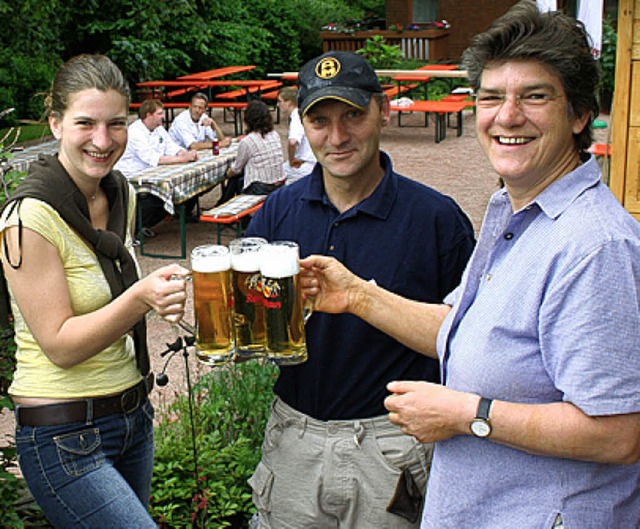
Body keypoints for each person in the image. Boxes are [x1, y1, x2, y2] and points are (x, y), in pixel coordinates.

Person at [299, 3, 640, 528]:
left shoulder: (595, 245)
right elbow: (466, 333)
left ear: (578, 114)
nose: (507, 115)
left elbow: (619, 433)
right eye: (491, 97)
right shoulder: (520, 215)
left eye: (534, 96)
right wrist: (359, 297)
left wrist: (467, 414)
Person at [245, 51, 475, 528]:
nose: (337, 137)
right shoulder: (276, 213)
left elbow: (468, 345)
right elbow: (251, 327)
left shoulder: (436, 220)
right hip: (294, 439)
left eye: (353, 114)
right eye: (320, 120)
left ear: (383, 110)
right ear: (301, 124)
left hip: (393, 447)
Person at [0, 54, 190, 528]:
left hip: (132, 418)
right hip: (63, 433)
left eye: (116, 124)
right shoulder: (29, 217)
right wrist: (142, 297)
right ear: (55, 124)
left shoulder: (119, 192)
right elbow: (60, 345)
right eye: (86, 123)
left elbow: (114, 293)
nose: (103, 141)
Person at [115, 98, 198, 233]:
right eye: (159, 113)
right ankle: (133, 230)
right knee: (158, 199)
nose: (163, 116)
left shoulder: (158, 129)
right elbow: (153, 159)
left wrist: (185, 153)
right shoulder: (135, 132)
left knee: (185, 184)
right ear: (149, 115)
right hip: (131, 177)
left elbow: (171, 146)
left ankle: (177, 214)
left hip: (150, 173)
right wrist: (183, 159)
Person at [219, 100, 285, 202]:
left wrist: (224, 175)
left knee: (235, 178)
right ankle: (222, 204)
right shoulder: (274, 135)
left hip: (260, 188)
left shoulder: (248, 141)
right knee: (237, 178)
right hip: (279, 183)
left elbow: (236, 169)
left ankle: (223, 205)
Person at [277, 86, 316, 184]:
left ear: (289, 102)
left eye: (280, 101)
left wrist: (291, 160)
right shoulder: (301, 114)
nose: (278, 105)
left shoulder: (296, 118)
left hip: (305, 165)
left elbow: (292, 142)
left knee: (274, 173)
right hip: (311, 162)